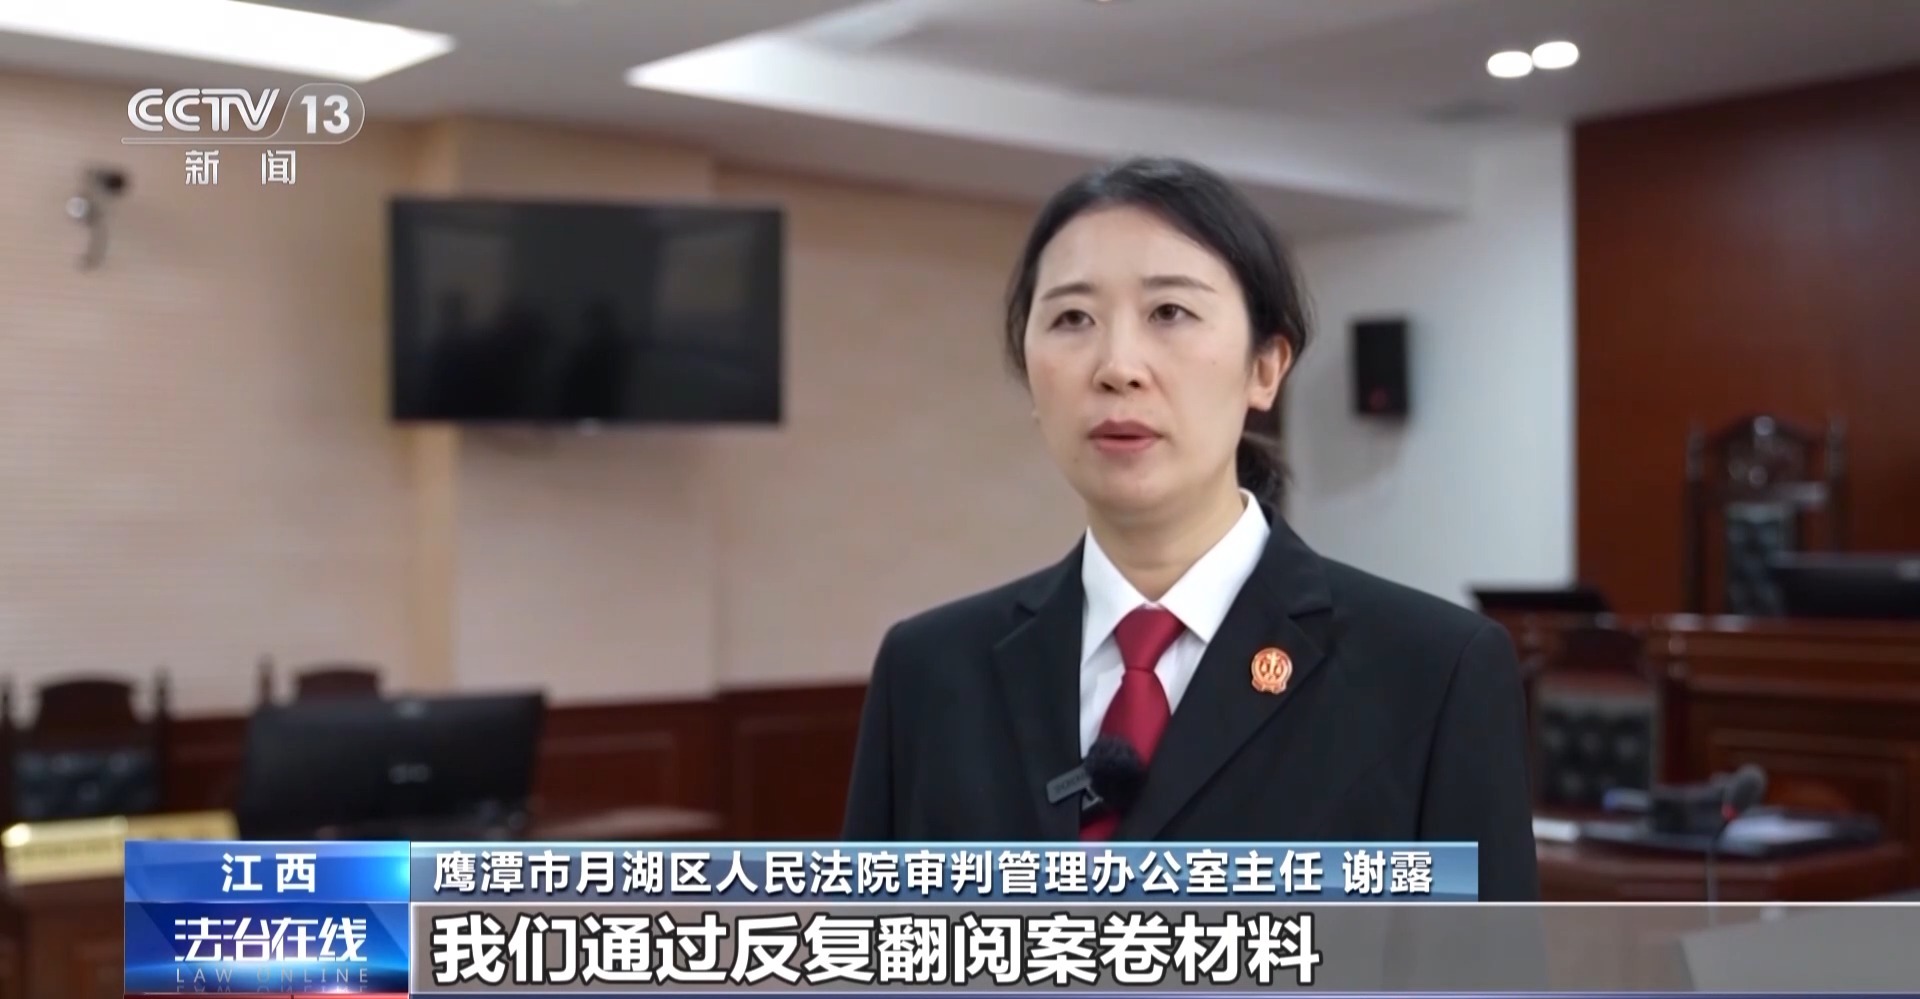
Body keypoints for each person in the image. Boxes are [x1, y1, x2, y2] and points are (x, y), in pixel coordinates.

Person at [841, 156, 1539, 901]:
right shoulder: (930, 672)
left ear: (1265, 368)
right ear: (1031, 375)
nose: (1118, 367)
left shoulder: (1432, 673)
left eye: (1169, 312)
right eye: (1072, 319)